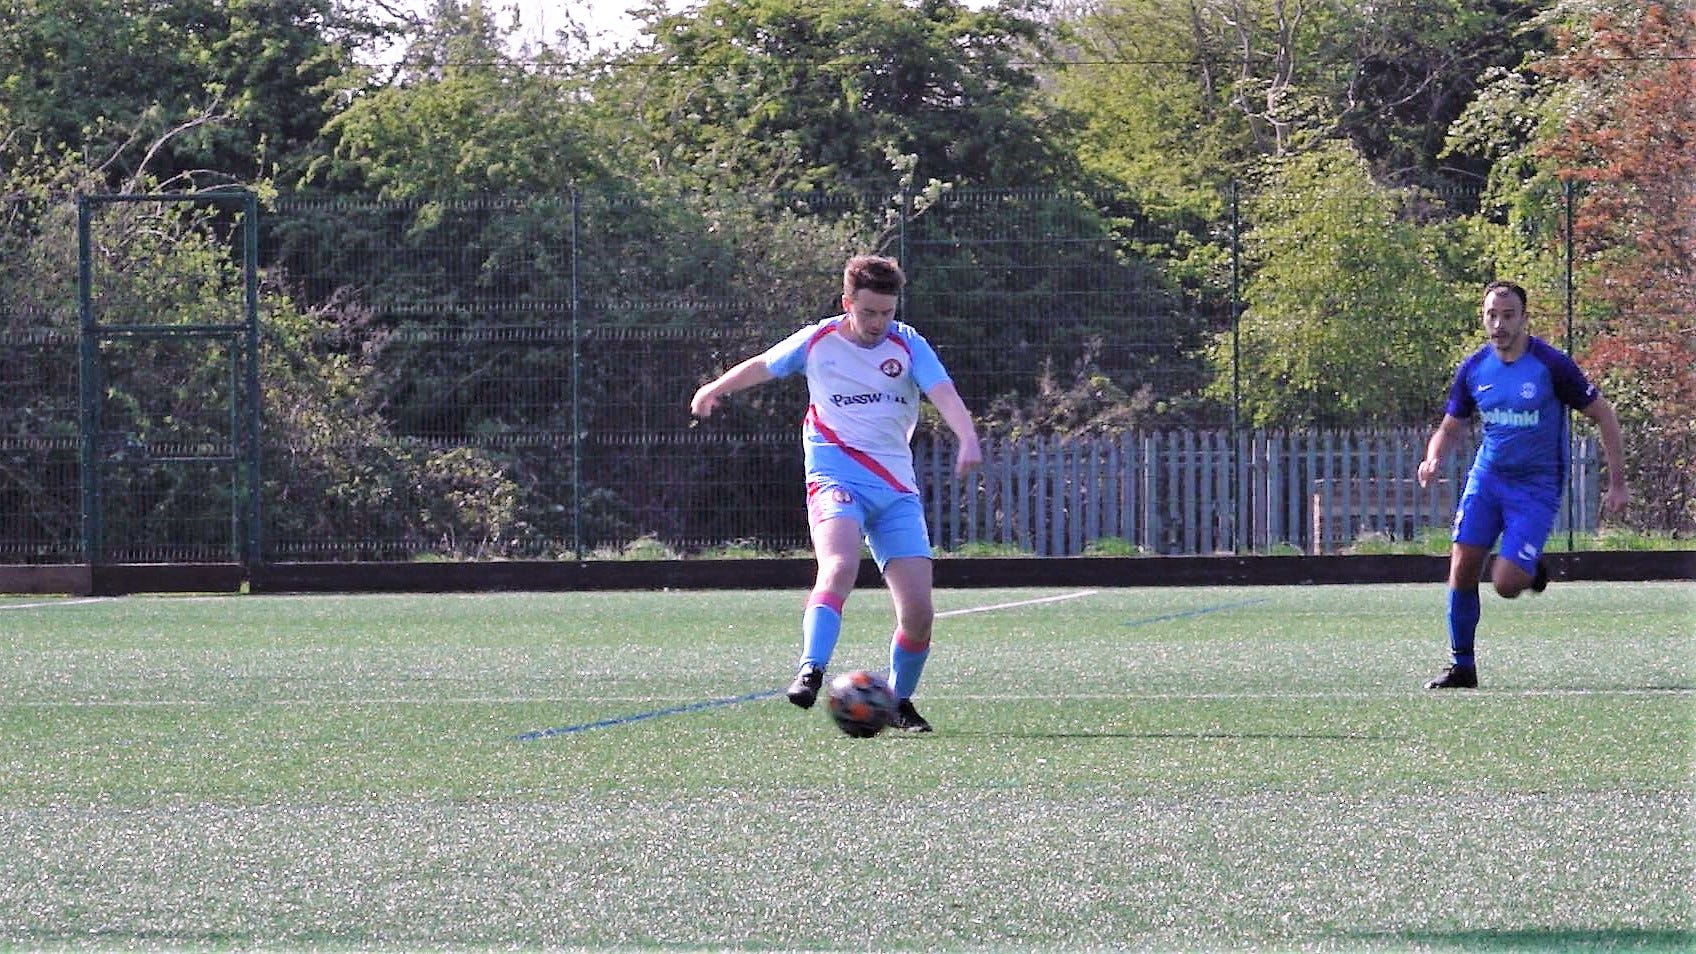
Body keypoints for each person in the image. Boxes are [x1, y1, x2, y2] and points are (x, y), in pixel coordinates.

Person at [689, 254, 983, 730]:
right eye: (868, 313)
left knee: (919, 613)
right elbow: (763, 364)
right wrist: (714, 388)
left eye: (887, 313)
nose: (878, 323)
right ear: (848, 303)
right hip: (835, 477)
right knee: (840, 565)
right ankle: (811, 668)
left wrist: (967, 438)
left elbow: (944, 392)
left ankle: (898, 704)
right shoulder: (818, 340)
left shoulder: (908, 345)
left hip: (895, 489)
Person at [1416, 280, 1628, 689]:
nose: (1499, 324)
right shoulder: (1475, 368)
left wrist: (1617, 484)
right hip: (1488, 479)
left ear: (1524, 318)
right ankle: (1463, 666)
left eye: (1508, 315)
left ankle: (1527, 570)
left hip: (1535, 488)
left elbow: (1605, 415)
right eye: (1491, 315)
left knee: (1506, 583)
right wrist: (1433, 457)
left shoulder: (1551, 366)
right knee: (1461, 566)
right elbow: (1450, 425)